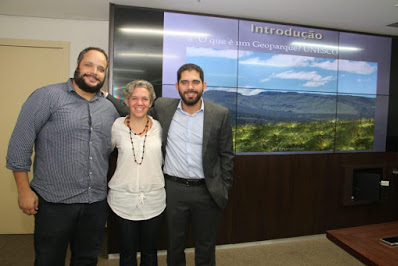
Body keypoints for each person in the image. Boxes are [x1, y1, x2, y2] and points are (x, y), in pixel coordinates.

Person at [107, 63, 234, 266]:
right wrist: (106, 95)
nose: (190, 87)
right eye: (184, 82)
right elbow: (135, 108)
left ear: (204, 85)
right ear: (177, 86)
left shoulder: (220, 114)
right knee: (174, 246)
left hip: (207, 191)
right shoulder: (165, 108)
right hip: (174, 191)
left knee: (206, 246)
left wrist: (223, 187)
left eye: (195, 82)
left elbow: (227, 155)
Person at [6, 47, 119, 265]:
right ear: (78, 65)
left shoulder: (109, 109)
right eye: (89, 65)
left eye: (101, 69)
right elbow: (20, 144)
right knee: (49, 260)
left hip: (94, 203)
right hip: (53, 203)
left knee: (86, 259)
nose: (94, 72)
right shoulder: (47, 96)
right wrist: (23, 190)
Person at [107, 80, 165, 266]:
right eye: (134, 98)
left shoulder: (159, 127)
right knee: (127, 253)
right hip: (122, 200)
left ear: (151, 102)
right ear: (127, 101)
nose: (139, 103)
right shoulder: (116, 126)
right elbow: (102, 154)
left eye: (144, 99)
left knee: (149, 252)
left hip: (153, 200)